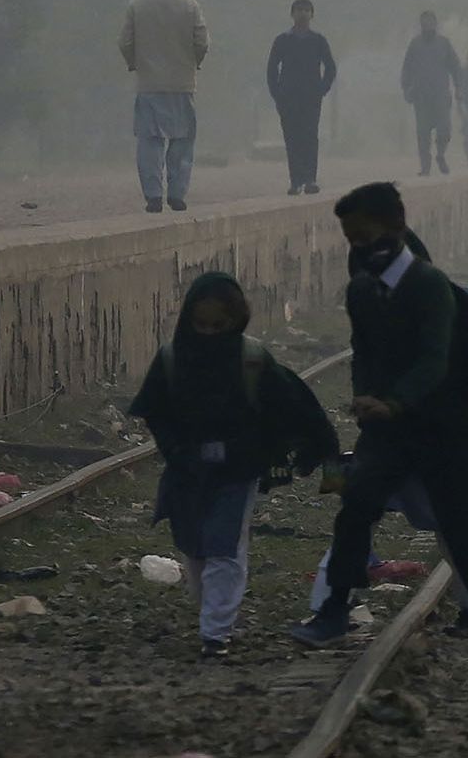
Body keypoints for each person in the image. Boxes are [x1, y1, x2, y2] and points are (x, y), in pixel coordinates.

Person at [289, 183, 468, 695]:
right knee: (355, 506)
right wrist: (365, 397)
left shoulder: (429, 286)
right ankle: (334, 609)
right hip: (388, 430)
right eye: (352, 238)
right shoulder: (362, 289)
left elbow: (435, 359)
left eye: (367, 235)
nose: (360, 246)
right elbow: (363, 351)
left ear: (397, 227)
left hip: (443, 432)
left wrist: (395, 400)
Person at [130, 273, 338, 658]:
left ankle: (215, 632)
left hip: (239, 468)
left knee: (224, 545)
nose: (208, 334)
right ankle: (213, 614)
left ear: (235, 321)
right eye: (201, 324)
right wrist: (175, 449)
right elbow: (155, 411)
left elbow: (293, 404)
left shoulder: (252, 359)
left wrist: (318, 446)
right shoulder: (173, 359)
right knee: (194, 548)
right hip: (187, 468)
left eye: (218, 326)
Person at [119, 0, 209, 214]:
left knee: (150, 140)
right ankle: (177, 193)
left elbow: (124, 41)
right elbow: (202, 42)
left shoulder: (137, 4)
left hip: (149, 83)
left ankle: (154, 195)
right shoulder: (190, 5)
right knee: (182, 140)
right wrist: (195, 62)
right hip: (182, 83)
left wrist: (133, 62)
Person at [266, 0, 338, 196]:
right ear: (292, 14)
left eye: (306, 10)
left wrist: (322, 89)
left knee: (309, 137)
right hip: (288, 97)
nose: (303, 13)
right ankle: (295, 181)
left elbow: (330, 67)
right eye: (299, 10)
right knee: (292, 138)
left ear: (312, 15)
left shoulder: (318, 41)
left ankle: (310, 179)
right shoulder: (282, 40)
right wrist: (277, 93)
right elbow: (272, 69)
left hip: (311, 98)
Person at [400, 11, 460, 176]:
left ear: (435, 24)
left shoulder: (444, 44)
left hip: (441, 94)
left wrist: (459, 88)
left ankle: (440, 155)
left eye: (430, 22)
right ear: (421, 25)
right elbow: (407, 68)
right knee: (423, 132)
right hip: (421, 96)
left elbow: (455, 67)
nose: (427, 25)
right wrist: (406, 88)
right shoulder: (415, 45)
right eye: (424, 23)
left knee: (444, 130)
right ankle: (425, 166)